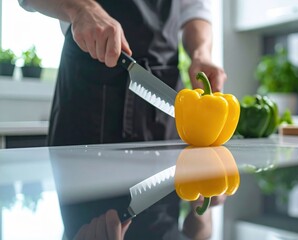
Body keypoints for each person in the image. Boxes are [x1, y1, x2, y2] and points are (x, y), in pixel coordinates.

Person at [20, 0, 227, 239]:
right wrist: (81, 8)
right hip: (89, 98)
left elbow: (194, 8)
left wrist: (201, 52)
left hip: (164, 105)